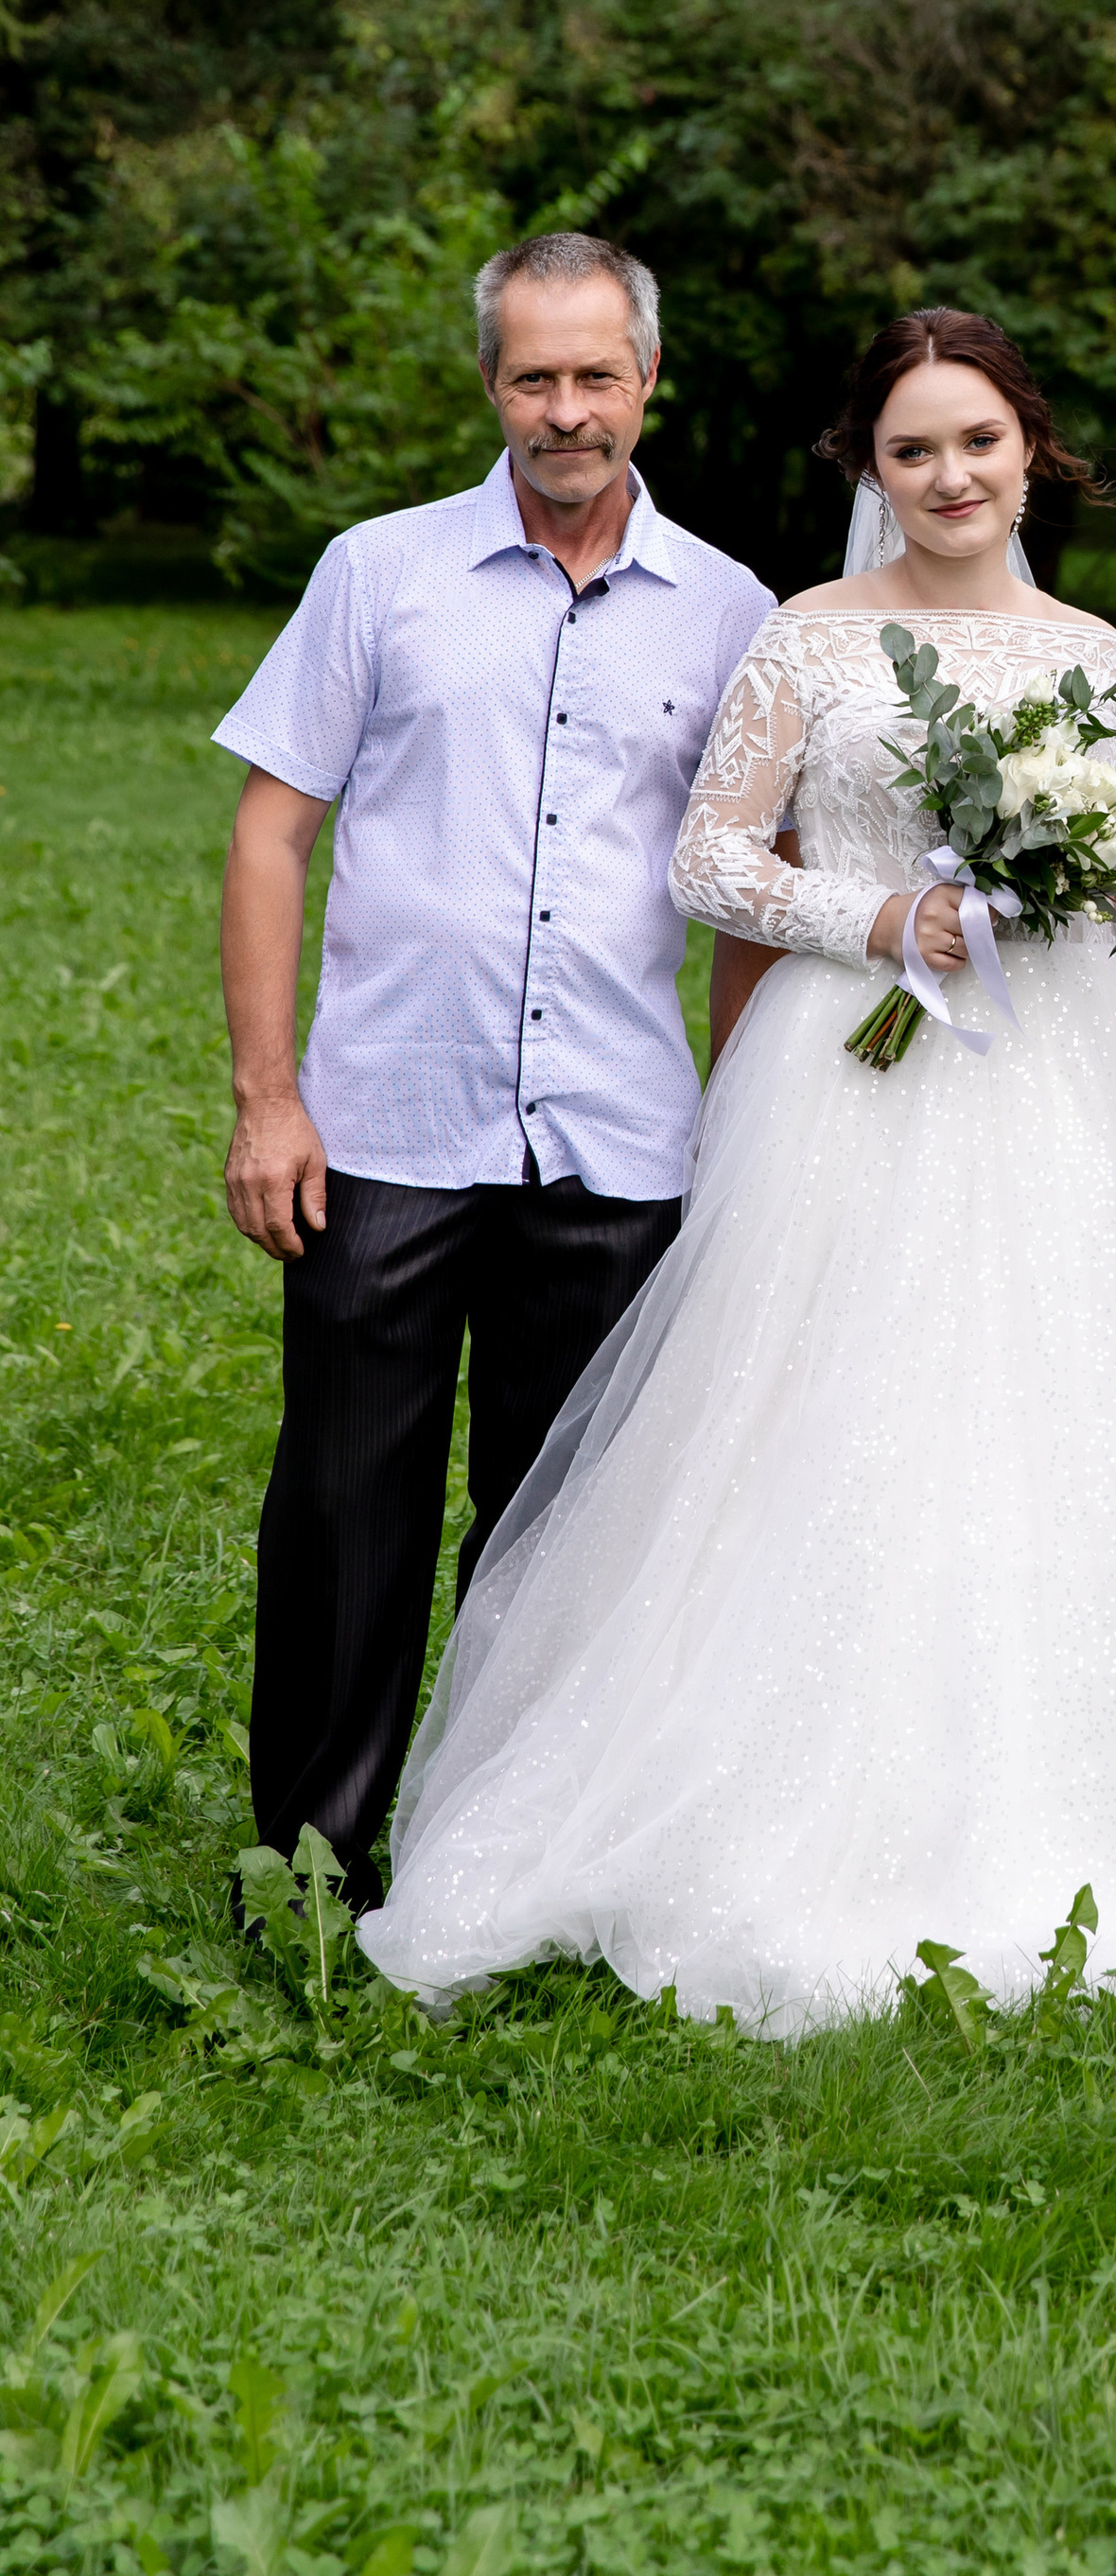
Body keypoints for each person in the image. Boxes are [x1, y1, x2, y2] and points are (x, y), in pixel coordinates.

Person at [357, 309, 1116, 2030]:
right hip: (856, 1075)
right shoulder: (808, 638)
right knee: (829, 1405)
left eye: (979, 442)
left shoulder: (1096, 653)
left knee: (1093, 1415)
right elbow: (710, 861)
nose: (951, 476)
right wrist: (891, 917)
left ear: (1031, 451)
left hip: (1075, 1078)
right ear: (870, 469)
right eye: (912, 450)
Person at [213, 231, 776, 1912]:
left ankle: (513, 1862)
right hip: (387, 1124)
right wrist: (267, 1100)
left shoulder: (733, 612)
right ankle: (312, 1867)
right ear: (489, 383)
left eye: (597, 374)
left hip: (617, 1138)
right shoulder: (377, 573)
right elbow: (270, 834)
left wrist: (738, 1112)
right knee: (345, 1509)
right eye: (534, 376)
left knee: (566, 1526)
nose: (566, 409)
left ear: (648, 380)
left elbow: (752, 888)